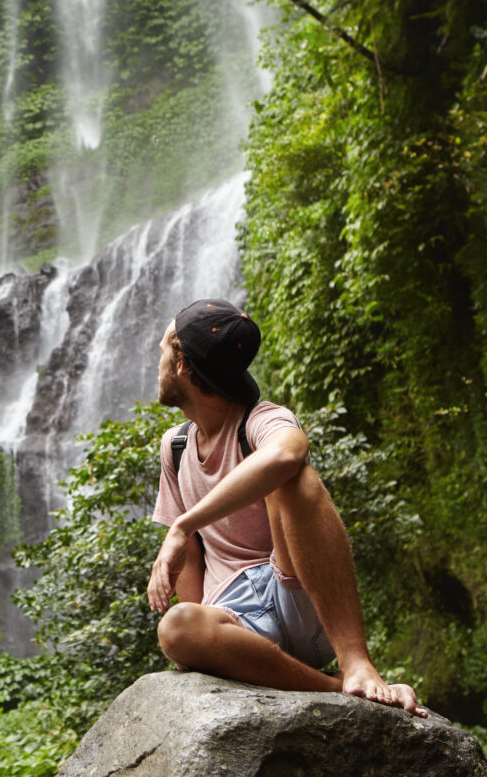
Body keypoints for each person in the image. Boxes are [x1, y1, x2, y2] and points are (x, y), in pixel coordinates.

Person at [147, 298, 425, 716]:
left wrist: (182, 526)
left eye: (165, 349)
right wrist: (207, 631)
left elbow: (286, 455)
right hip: (239, 622)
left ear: (183, 365)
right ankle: (334, 687)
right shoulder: (176, 446)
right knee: (178, 626)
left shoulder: (261, 420)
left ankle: (356, 663)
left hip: (296, 591)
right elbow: (190, 561)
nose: (158, 360)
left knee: (293, 478)